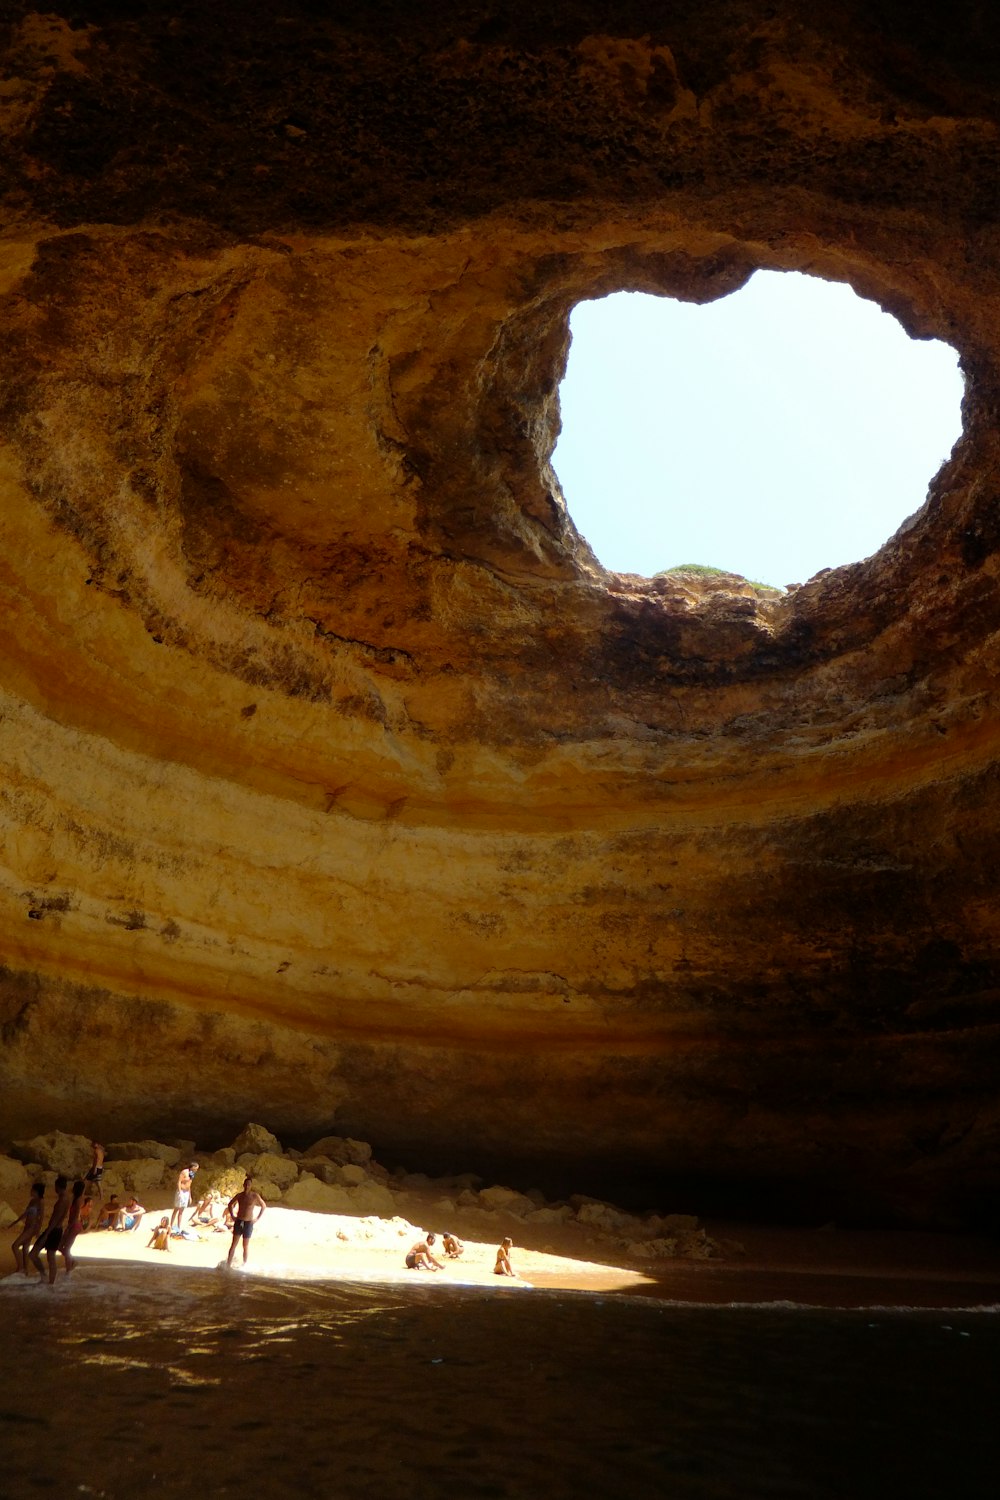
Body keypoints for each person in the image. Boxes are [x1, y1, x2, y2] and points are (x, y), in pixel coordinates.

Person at [30, 1176, 71, 1284]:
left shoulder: (62, 1200)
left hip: (53, 1230)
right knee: (49, 1256)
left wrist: (46, 1234)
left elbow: (55, 1219)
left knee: (36, 1254)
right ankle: (48, 1280)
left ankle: (48, 1279)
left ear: (57, 1186)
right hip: (57, 1229)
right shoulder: (66, 1198)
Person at [225, 1176, 267, 1269]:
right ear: (243, 1185)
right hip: (239, 1221)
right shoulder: (239, 1195)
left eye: (249, 1184)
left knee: (245, 1245)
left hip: (248, 1223)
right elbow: (230, 1204)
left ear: (251, 1185)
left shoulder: (254, 1196)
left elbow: (263, 1206)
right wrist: (232, 1215)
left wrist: (257, 1218)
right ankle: (228, 1265)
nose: (247, 1186)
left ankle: (244, 1265)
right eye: (246, 1184)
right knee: (234, 1244)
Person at [10, 1182, 45, 1274]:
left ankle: (20, 1268)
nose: (30, 1191)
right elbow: (26, 1213)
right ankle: (25, 1270)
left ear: (36, 1191)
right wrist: (15, 1221)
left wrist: (38, 1230)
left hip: (32, 1228)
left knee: (15, 1246)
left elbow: (41, 1217)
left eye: (32, 1190)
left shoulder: (40, 1202)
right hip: (27, 1226)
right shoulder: (32, 1201)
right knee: (25, 1248)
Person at [59, 1181, 87, 1274]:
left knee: (66, 1248)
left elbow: (75, 1216)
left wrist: (68, 1228)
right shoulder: (75, 1198)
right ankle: (71, 1262)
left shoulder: (78, 1199)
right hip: (73, 1224)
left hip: (74, 1225)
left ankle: (69, 1268)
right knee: (61, 1246)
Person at [170, 1162, 199, 1234]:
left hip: (186, 1192)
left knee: (181, 1211)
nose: (196, 1170)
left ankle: (179, 1226)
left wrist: (190, 1196)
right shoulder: (184, 1172)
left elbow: (189, 1184)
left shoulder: (192, 1174)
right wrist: (180, 1192)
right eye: (195, 1168)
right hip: (181, 1191)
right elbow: (179, 1182)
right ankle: (170, 1225)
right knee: (176, 1209)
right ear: (192, 1167)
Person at [83, 1142, 105, 1224]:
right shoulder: (101, 1150)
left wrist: (94, 1168)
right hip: (100, 1167)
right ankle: (101, 1196)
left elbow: (97, 1160)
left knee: (87, 1181)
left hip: (96, 1168)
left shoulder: (96, 1151)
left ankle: (81, 1194)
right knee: (97, 1183)